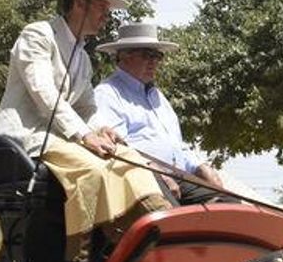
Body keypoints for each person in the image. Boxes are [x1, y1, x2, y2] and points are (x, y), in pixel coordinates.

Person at [0, 0, 168, 262]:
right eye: (101, 7)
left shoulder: (83, 58)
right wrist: (83, 135)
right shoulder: (37, 35)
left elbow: (87, 109)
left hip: (62, 137)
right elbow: (44, 93)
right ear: (77, 4)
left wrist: (100, 130)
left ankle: (156, 232)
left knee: (127, 157)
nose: (106, 16)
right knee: (89, 169)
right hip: (27, 136)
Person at [94, 22, 228, 205]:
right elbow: (119, 150)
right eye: (147, 55)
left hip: (178, 177)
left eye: (157, 56)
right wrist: (156, 172)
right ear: (123, 56)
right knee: (175, 224)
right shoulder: (108, 93)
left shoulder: (158, 97)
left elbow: (177, 145)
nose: (154, 62)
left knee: (230, 206)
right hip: (142, 180)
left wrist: (200, 166)